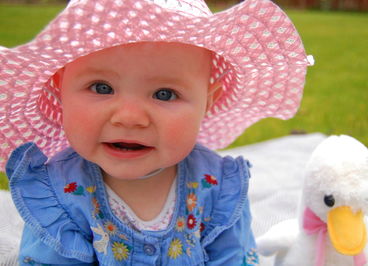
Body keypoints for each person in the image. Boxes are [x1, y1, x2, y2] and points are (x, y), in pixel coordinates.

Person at [0, 0, 312, 264]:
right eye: (102, 87)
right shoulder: (58, 196)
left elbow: (233, 257)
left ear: (208, 101)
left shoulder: (218, 189)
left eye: (164, 94)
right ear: (60, 88)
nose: (130, 118)